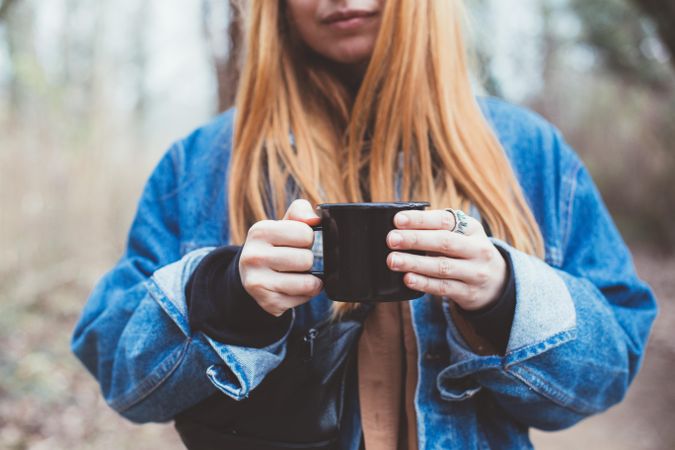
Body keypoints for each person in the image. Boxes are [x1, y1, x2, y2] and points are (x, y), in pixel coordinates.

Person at [71, 0, 658, 449]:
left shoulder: (528, 152)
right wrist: (220, 293)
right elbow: (121, 375)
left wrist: (504, 296)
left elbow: (610, 368)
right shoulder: (201, 163)